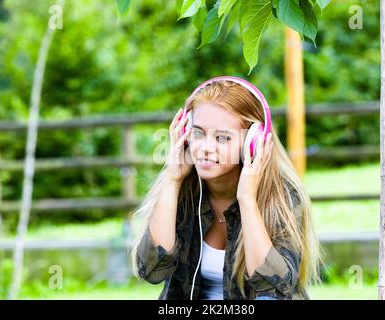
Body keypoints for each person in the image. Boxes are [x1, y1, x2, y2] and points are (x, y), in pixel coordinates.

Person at [131, 76, 321, 300]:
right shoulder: (184, 188)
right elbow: (152, 270)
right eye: (198, 133)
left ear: (253, 142)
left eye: (222, 138)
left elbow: (274, 290)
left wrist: (247, 199)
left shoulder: (282, 195)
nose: (205, 148)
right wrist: (172, 181)